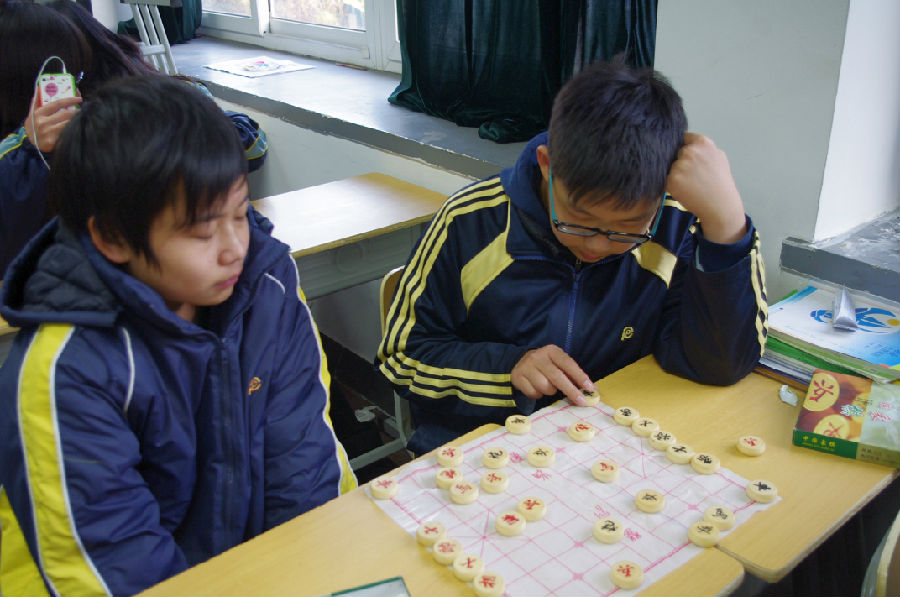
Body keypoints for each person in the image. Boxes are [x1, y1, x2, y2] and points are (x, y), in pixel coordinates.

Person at [0, 75, 355, 596]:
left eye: (241, 213)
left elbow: (301, 459)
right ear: (113, 238)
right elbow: (110, 562)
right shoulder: (63, 368)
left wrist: (306, 574)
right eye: (202, 231)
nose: (235, 248)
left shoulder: (268, 287)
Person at [376, 58, 768, 455]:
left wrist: (727, 227)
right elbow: (401, 357)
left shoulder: (677, 224)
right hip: (483, 445)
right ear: (547, 166)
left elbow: (719, 364)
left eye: (627, 228)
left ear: (663, 193)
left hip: (605, 441)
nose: (597, 246)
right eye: (578, 221)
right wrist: (507, 369)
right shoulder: (469, 220)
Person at [0, 0, 269, 277]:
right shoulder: (29, 150)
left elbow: (250, 146)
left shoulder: (131, 112)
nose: (71, 86)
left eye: (74, 74)